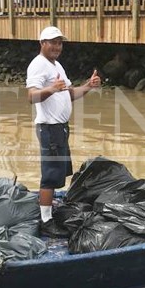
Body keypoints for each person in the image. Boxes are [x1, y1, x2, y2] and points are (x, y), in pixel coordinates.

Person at [26, 27, 101, 237]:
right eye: (53, 42)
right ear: (42, 43)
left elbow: (70, 93)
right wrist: (51, 89)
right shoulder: (38, 65)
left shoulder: (57, 65)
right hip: (48, 127)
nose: (57, 47)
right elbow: (31, 96)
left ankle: (48, 211)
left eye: (60, 43)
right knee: (49, 176)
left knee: (59, 172)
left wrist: (88, 85)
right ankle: (46, 221)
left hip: (60, 128)